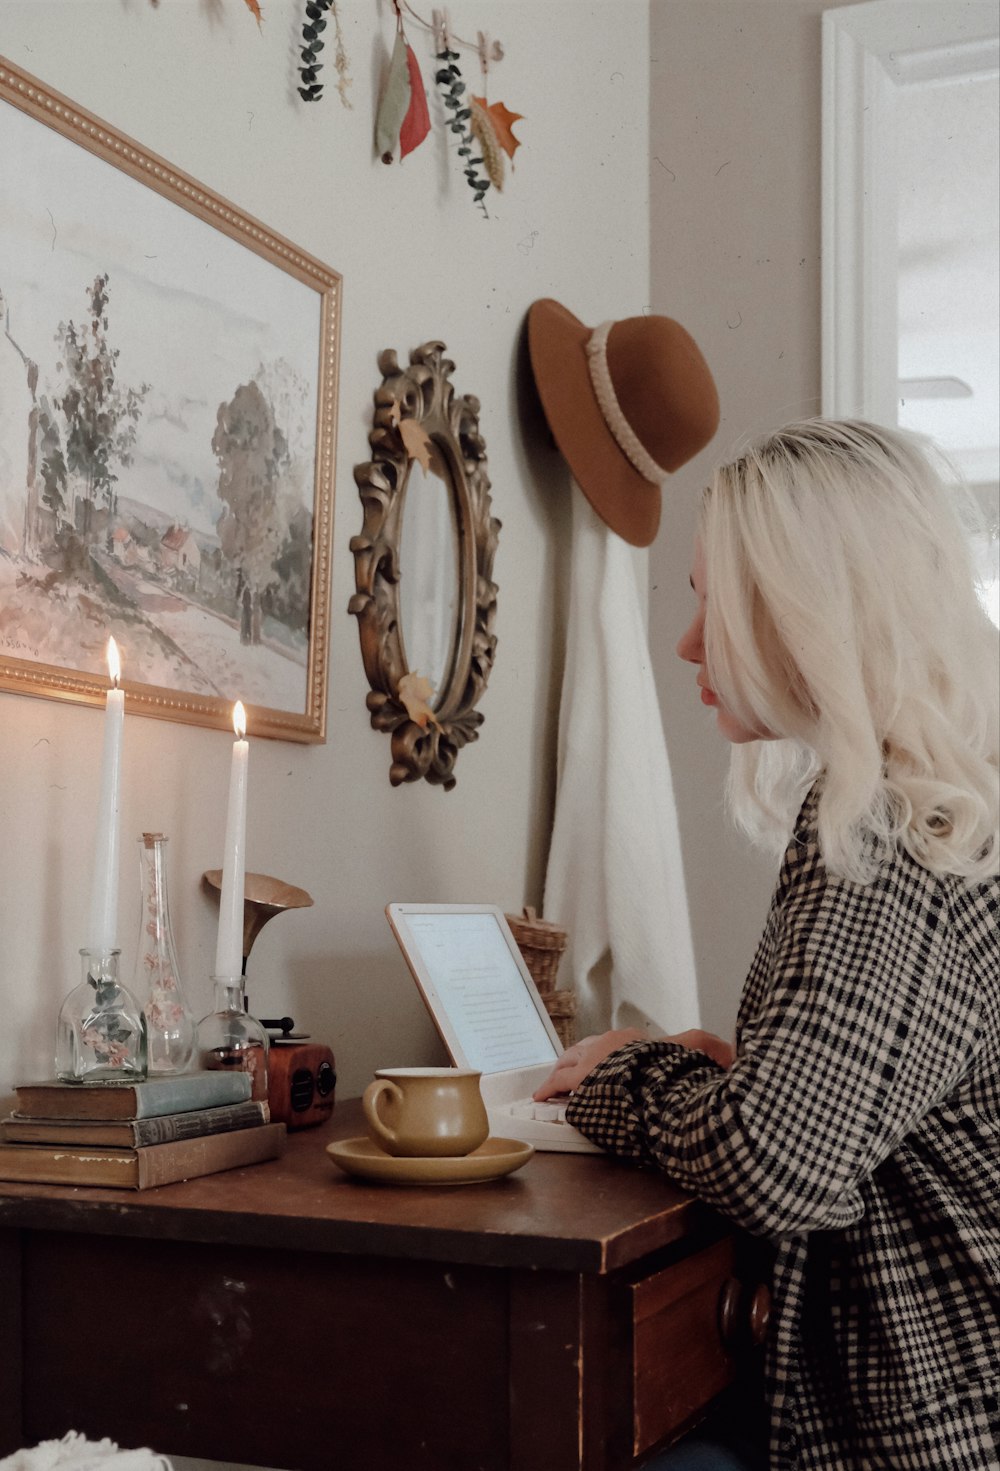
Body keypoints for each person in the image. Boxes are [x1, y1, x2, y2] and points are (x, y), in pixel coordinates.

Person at [534, 418, 1000, 1471]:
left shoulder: (886, 837)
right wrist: (752, 1072)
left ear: (802, 613)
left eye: (711, 600)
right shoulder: (945, 809)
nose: (691, 640)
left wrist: (627, 1075)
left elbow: (774, 1163)